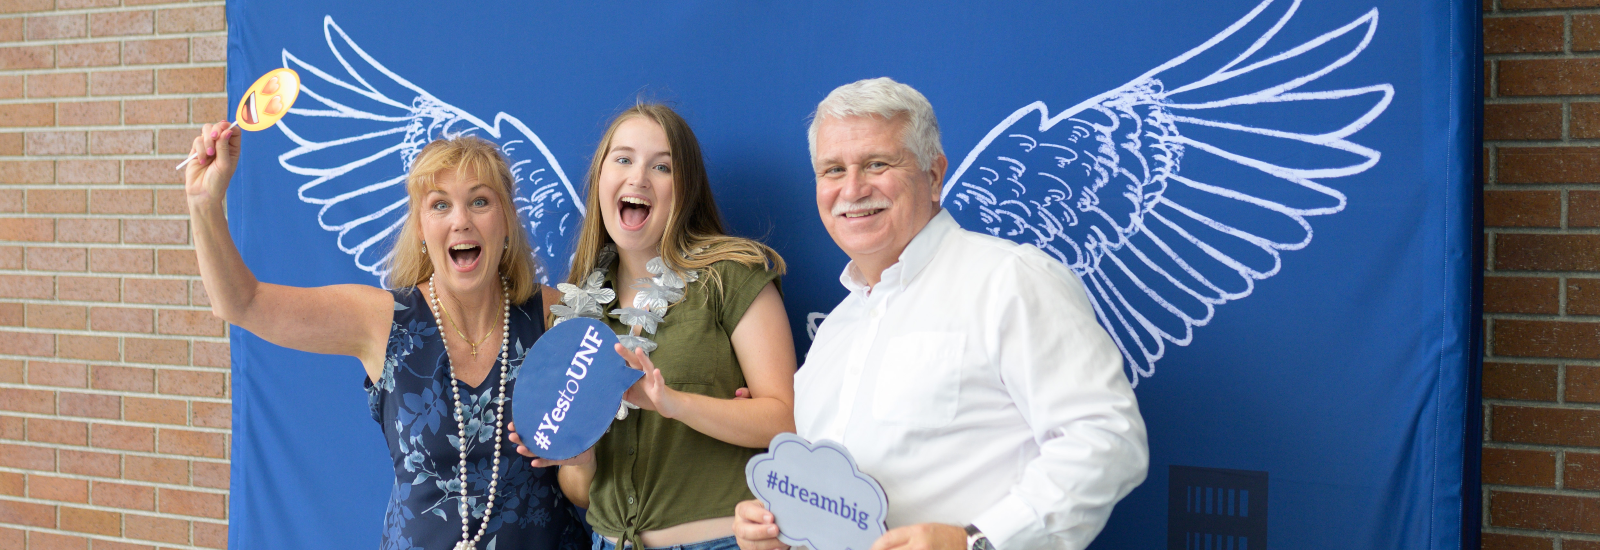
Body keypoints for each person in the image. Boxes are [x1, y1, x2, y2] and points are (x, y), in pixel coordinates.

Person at [733, 78, 1149, 550]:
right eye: (832, 170)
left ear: (933, 176)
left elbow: (1108, 440)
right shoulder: (835, 332)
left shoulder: (1009, 280)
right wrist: (780, 527)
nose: (852, 188)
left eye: (877, 164)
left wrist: (975, 542)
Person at [184, 126, 587, 550]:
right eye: (440, 205)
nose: (460, 221)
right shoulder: (384, 321)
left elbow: (585, 477)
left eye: (480, 201)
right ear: (420, 227)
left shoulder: (557, 316)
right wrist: (203, 203)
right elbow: (241, 303)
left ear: (506, 219)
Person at [512, 104, 798, 550]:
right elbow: (581, 493)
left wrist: (673, 403)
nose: (638, 177)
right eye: (623, 159)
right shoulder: (573, 315)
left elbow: (786, 420)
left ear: (684, 190)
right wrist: (580, 459)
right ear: (601, 179)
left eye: (661, 166)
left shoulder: (732, 275)